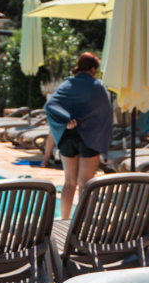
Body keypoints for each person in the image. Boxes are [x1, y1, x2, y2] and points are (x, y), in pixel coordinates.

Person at [45, 52, 113, 218]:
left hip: (67, 137)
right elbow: (106, 111)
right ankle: (82, 224)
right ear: (93, 69)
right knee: (85, 184)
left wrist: (66, 119)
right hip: (90, 138)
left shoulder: (67, 84)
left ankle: (65, 220)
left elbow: (50, 105)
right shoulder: (97, 86)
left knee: (69, 182)